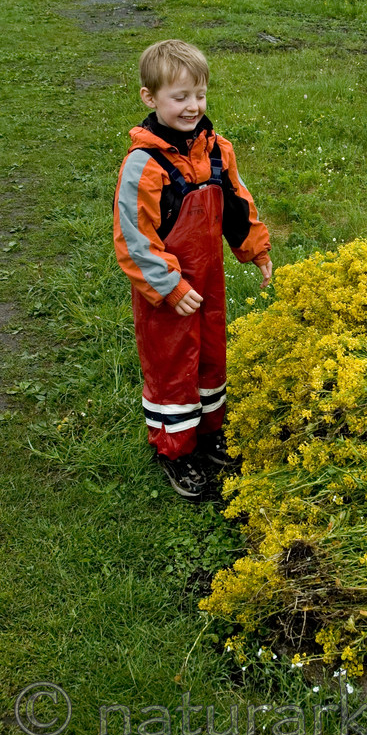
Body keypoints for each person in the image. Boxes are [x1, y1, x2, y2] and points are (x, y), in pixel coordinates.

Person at [113, 39, 271, 500]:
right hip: (164, 292)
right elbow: (135, 239)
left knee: (209, 355)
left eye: (199, 94)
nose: (192, 106)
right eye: (179, 97)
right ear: (150, 97)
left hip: (209, 281)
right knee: (171, 364)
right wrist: (168, 286)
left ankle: (208, 432)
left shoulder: (217, 151)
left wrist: (255, 248)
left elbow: (238, 205)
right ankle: (174, 449)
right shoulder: (144, 165)